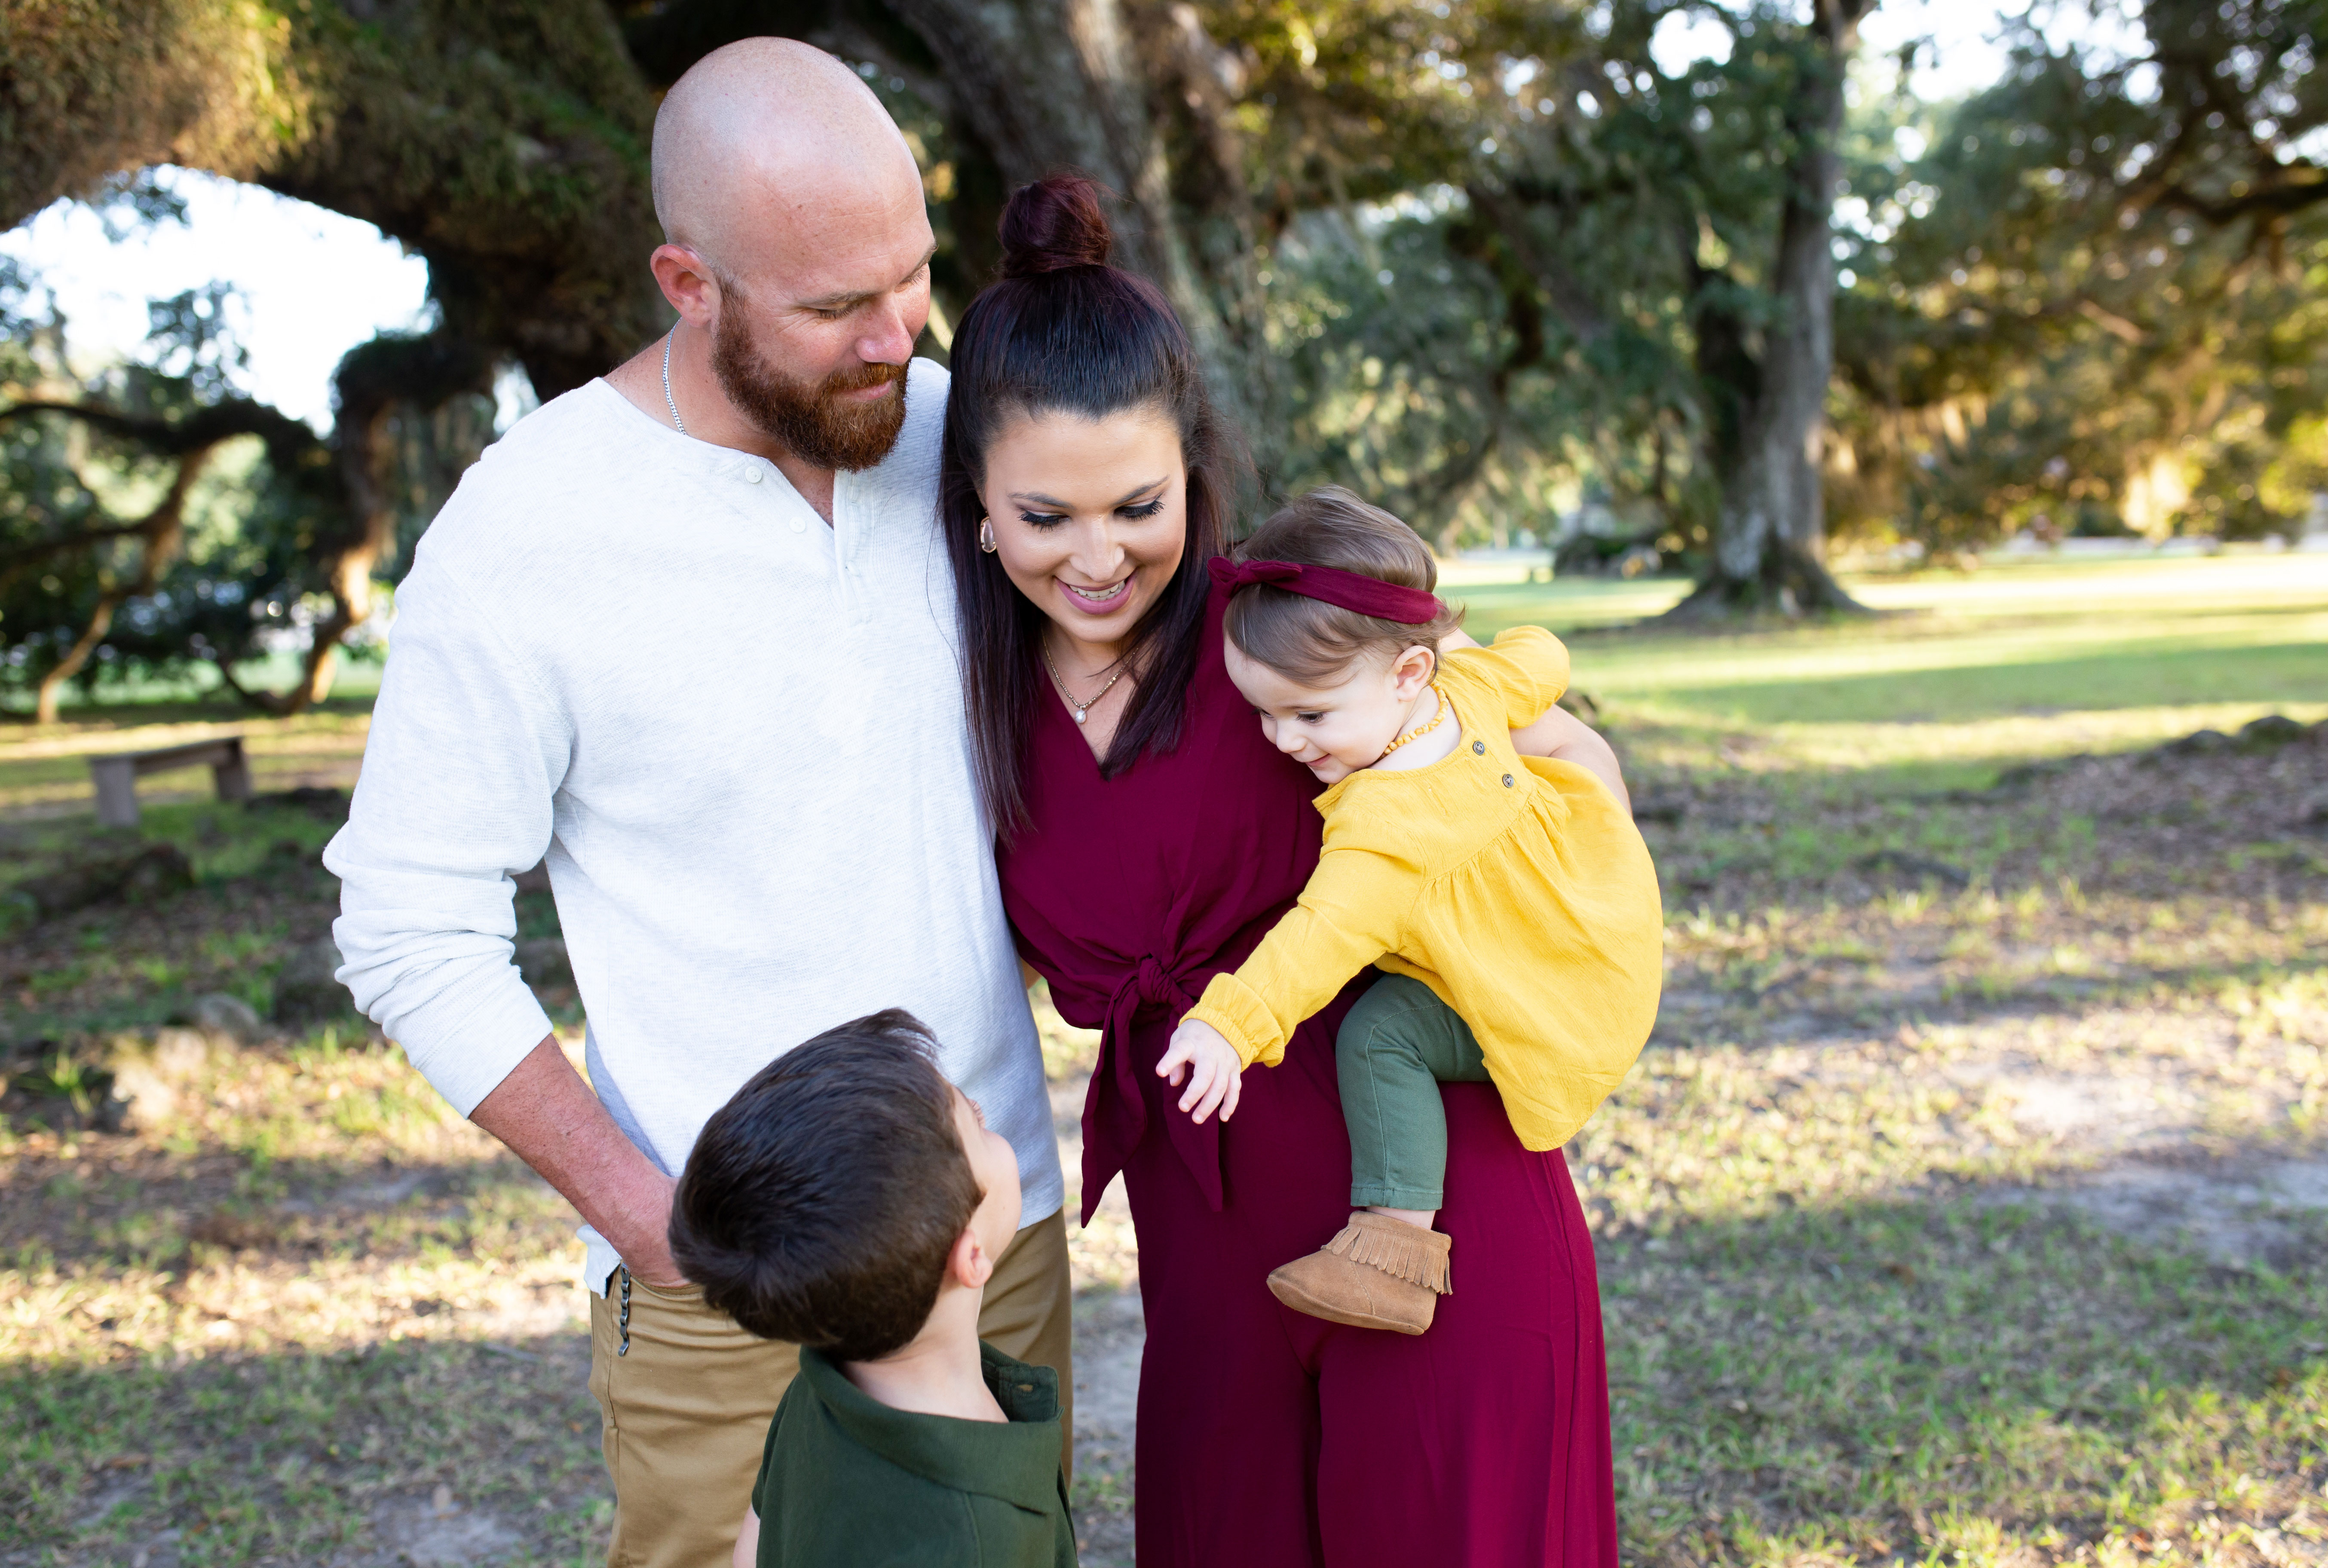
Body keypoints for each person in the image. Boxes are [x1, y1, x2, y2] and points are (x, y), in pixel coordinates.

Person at [324, 39, 1069, 1568]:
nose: (896, 337)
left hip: (1001, 1240)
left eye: (912, 275)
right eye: (832, 307)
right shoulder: (530, 526)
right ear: (690, 281)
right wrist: (652, 1218)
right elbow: (409, 925)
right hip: (727, 1286)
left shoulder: (965, 440)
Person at [940, 172, 1623, 1566]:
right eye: (1045, 515)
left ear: (1193, 464)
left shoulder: (1284, 645)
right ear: (978, 505)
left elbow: (1553, 751)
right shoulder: (960, 701)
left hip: (1433, 1207)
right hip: (1209, 1238)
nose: (1097, 555)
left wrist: (1570, 955)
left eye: (1137, 503)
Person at [1153, 487, 1663, 1335]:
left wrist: (1226, 1028)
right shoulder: (1468, 686)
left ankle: (1394, 1248)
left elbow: (1315, 941)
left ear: (1406, 673)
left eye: (1309, 713)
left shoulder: (1383, 828)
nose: (1283, 742)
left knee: (1381, 1032)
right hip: (1594, 939)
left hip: (1544, 992)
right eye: (1265, 715)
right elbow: (1541, 657)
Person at [668, 1010, 1077, 1568]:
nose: (982, 1111)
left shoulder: (820, 1396)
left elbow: (753, 1554)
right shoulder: (977, 1536)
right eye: (977, 1131)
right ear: (971, 1255)